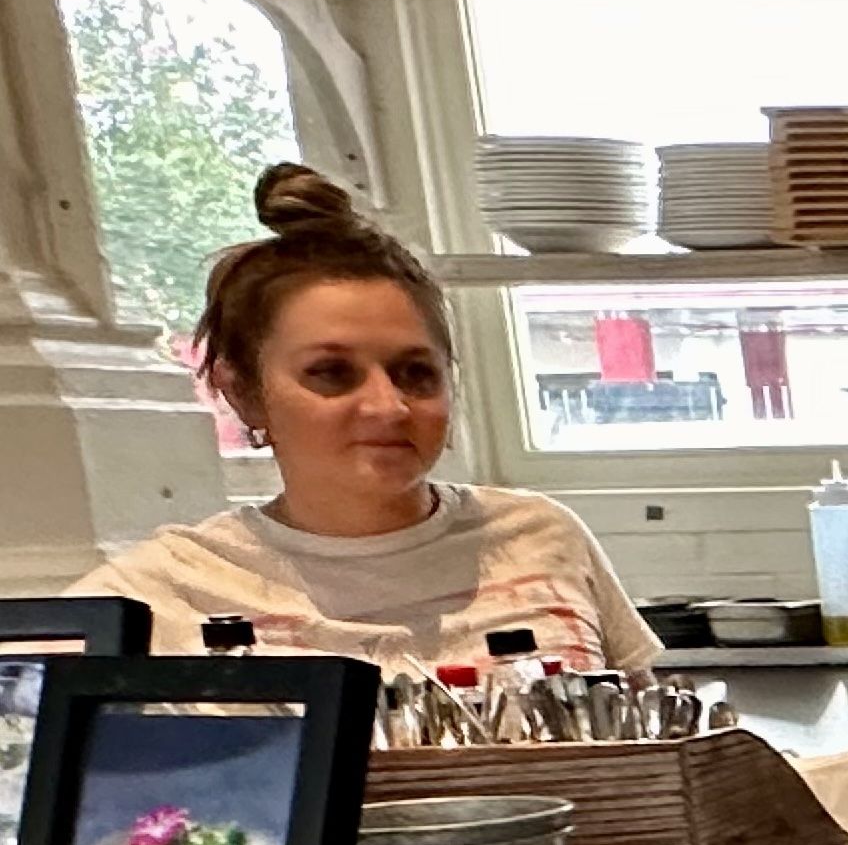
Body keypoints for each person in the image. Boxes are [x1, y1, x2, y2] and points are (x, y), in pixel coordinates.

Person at [73, 165, 660, 669]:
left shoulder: (542, 537)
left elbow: (656, 756)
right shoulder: (161, 591)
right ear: (242, 392)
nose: (388, 405)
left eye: (415, 373)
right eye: (331, 373)